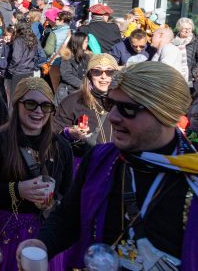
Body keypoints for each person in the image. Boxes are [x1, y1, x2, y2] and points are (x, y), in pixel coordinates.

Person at [17, 61, 197, 270]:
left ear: (165, 113)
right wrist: (43, 243)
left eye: (127, 109)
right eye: (111, 105)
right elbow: (69, 216)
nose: (112, 117)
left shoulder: (192, 181)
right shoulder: (100, 158)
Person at [0, 77, 72, 271]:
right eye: (31, 104)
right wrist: (16, 190)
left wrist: (52, 201)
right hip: (1, 234)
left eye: (45, 106)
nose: (38, 111)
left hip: (44, 238)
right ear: (16, 105)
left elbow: (67, 197)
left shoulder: (62, 147)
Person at [55, 53, 118, 168]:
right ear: (89, 75)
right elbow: (53, 131)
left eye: (109, 72)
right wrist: (69, 133)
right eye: (97, 71)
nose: (103, 77)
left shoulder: (122, 102)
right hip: (86, 166)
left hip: (116, 165)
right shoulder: (73, 101)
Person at [5, 22, 38, 105]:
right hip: (30, 71)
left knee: (15, 99)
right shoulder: (33, 39)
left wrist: (10, 69)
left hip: (19, 72)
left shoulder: (19, 40)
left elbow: (16, 58)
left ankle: (12, 117)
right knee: (26, 98)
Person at [55, 31, 91, 104]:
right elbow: (66, 75)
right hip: (67, 93)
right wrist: (82, 85)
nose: (87, 44)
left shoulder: (87, 57)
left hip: (82, 92)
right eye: (86, 42)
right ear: (79, 42)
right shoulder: (67, 57)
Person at [43, 11, 72, 91]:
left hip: (55, 63)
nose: (55, 20)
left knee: (56, 89)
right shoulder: (73, 31)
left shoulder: (54, 33)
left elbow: (48, 51)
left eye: (57, 19)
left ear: (62, 20)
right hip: (69, 63)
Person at [173, 17, 198, 82]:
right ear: (179, 28)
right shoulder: (173, 39)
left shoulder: (196, 41)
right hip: (174, 75)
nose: (187, 31)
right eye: (185, 29)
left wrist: (193, 73)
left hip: (189, 77)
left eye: (190, 28)